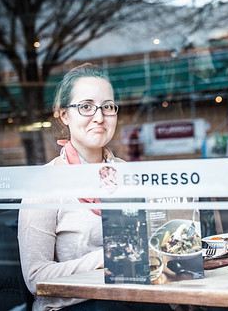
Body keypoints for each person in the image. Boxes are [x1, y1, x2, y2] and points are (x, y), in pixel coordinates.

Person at [18, 63, 170, 311]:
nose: (99, 117)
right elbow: (35, 278)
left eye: (107, 107)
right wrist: (106, 258)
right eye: (86, 107)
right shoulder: (44, 185)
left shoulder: (128, 174)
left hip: (138, 300)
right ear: (65, 115)